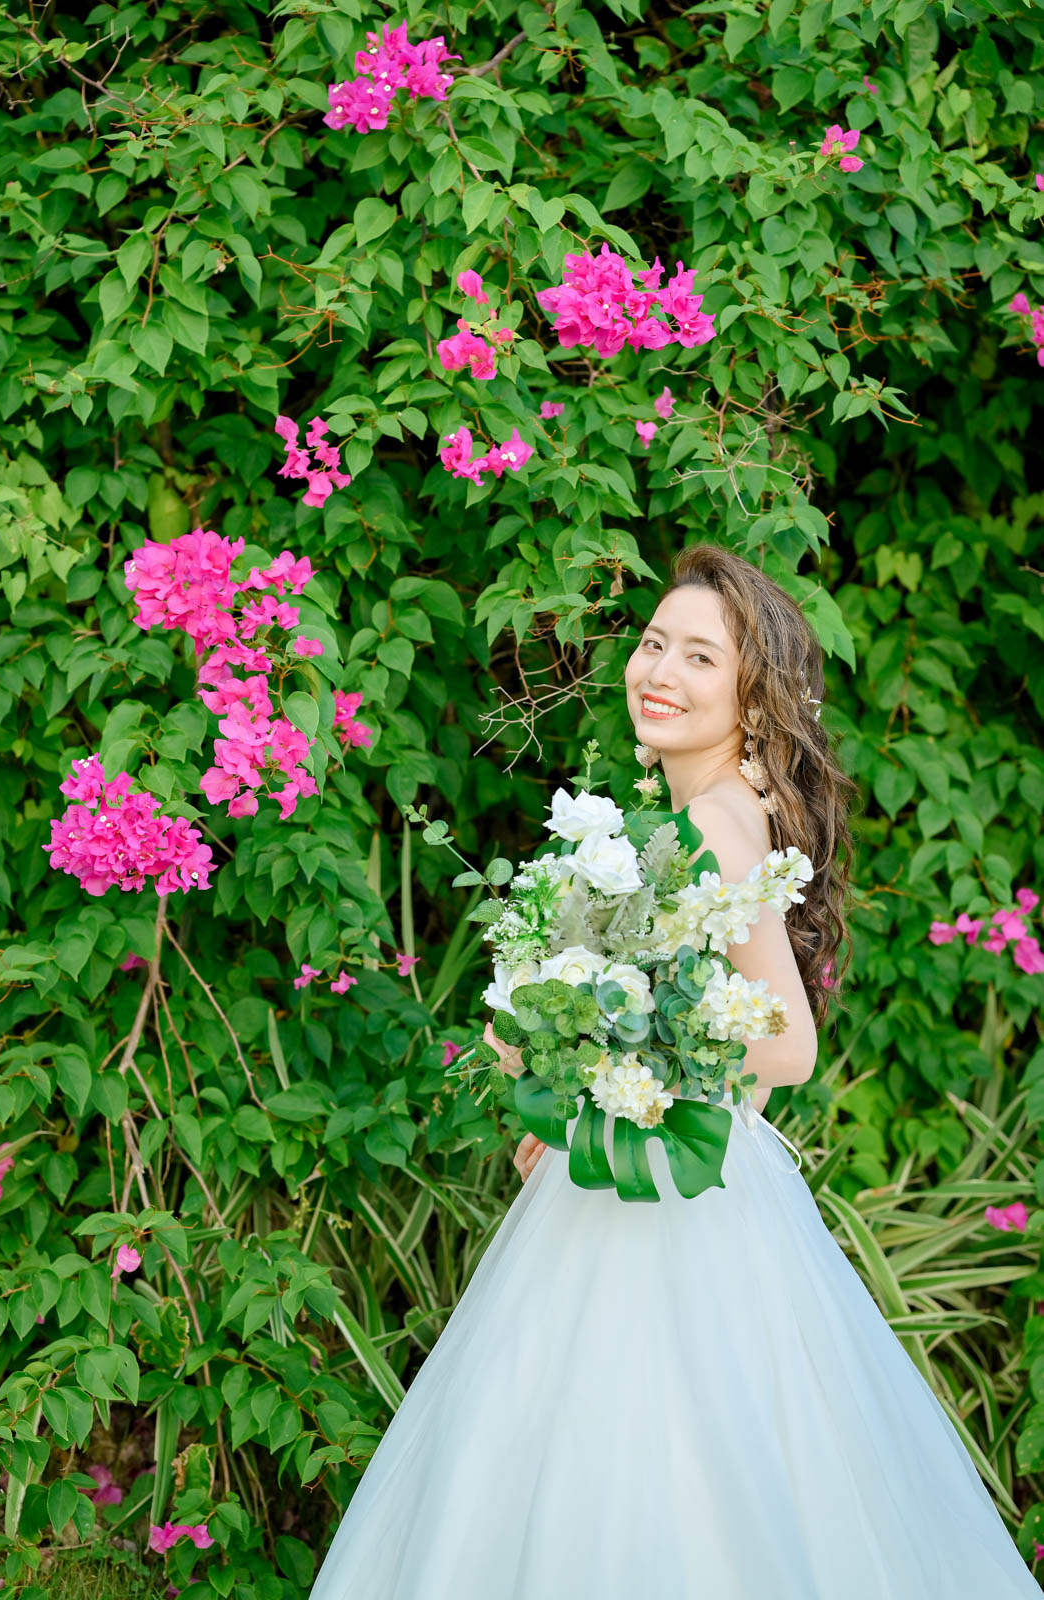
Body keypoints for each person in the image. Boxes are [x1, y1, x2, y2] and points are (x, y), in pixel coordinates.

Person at [308, 544, 1040, 1598]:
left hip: (674, 1207)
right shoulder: (711, 815)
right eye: (654, 643)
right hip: (650, 1170)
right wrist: (580, 1082)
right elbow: (711, 1029)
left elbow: (784, 1046)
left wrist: (605, 1063)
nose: (659, 670)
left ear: (752, 695)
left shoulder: (710, 825)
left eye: (700, 656)